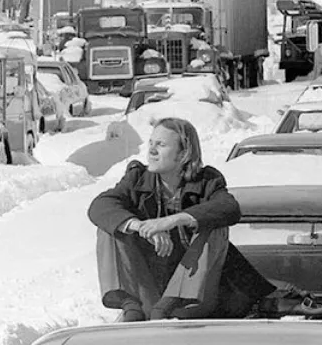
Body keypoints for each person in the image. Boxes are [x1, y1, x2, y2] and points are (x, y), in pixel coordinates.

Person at [88, 117, 276, 322]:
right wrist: (139, 226)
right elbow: (100, 205)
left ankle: (173, 302)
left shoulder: (207, 181)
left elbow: (229, 208)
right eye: (151, 143)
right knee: (111, 224)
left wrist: (172, 221)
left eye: (160, 145)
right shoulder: (137, 179)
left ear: (183, 154)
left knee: (213, 226)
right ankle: (130, 304)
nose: (151, 151)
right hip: (148, 294)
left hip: (197, 299)